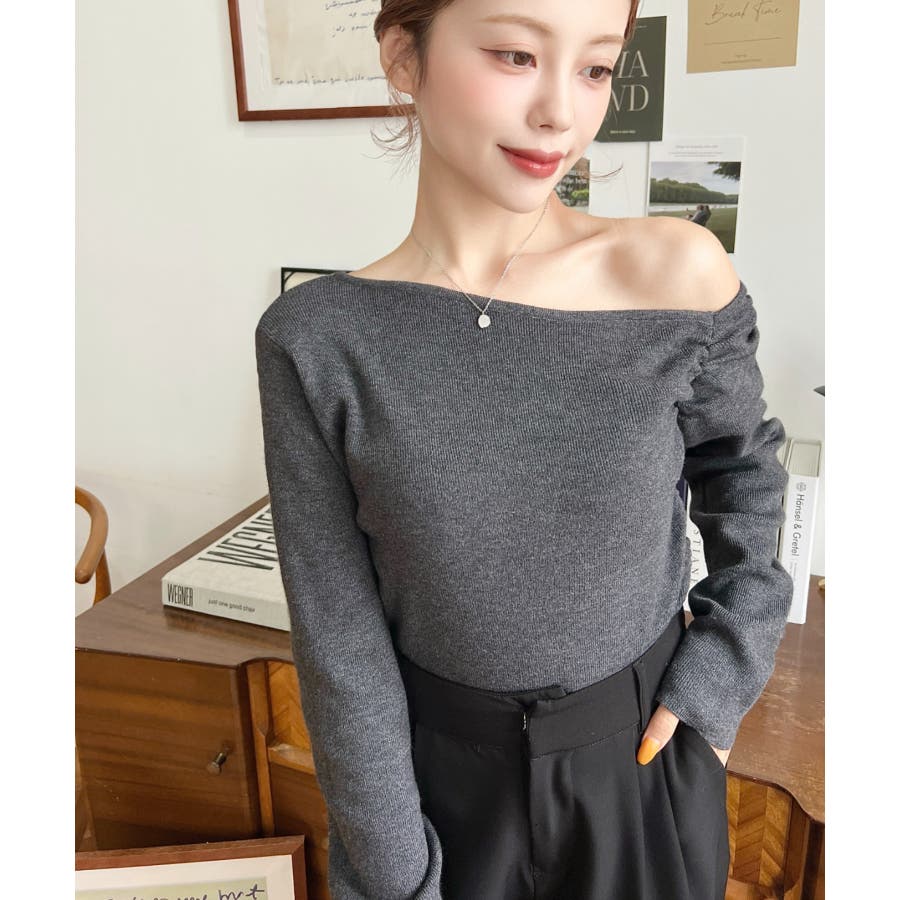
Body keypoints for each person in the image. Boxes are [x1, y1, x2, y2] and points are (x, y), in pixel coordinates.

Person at [254, 2, 792, 898]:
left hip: (641, 768)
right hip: (435, 794)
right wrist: (395, 878)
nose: (560, 114)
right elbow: (338, 641)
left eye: (595, 68)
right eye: (514, 55)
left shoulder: (676, 277)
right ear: (403, 56)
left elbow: (746, 480)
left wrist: (718, 686)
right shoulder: (316, 339)